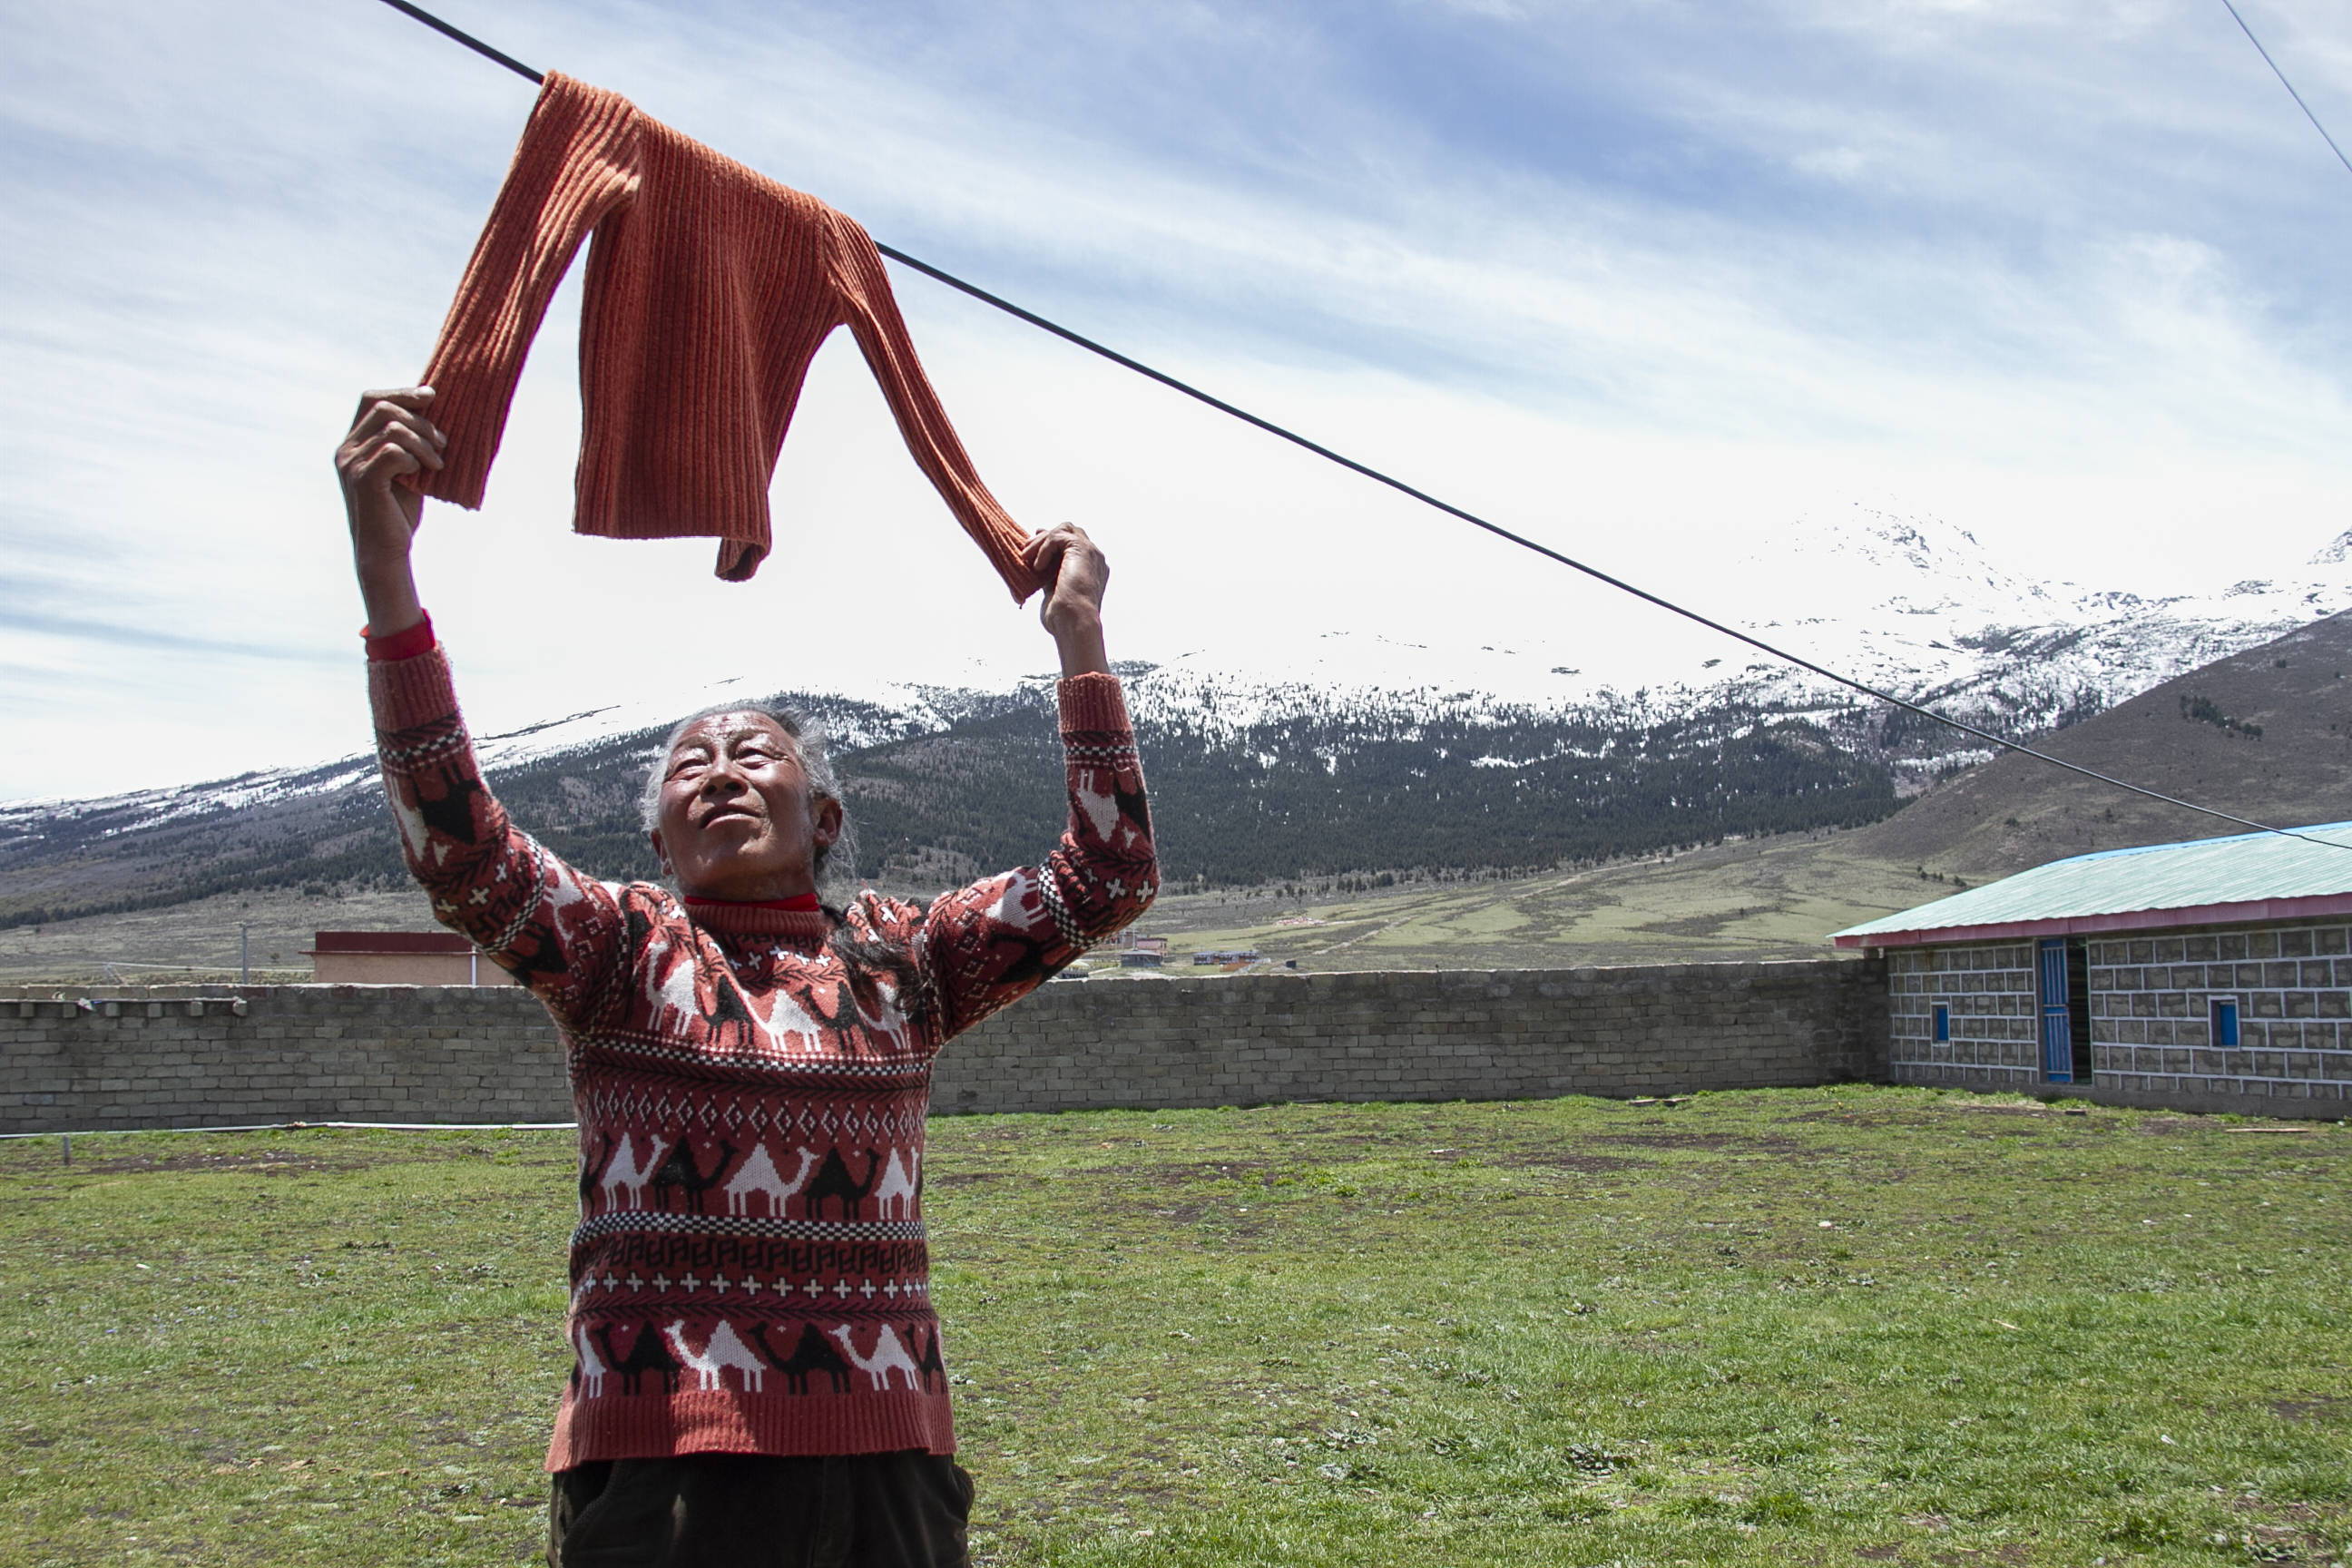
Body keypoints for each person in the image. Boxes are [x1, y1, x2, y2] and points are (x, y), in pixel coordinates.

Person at [336, 386, 1159, 1567]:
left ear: (821, 816)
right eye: (689, 766)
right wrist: (385, 576)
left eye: (753, 754)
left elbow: (1108, 876)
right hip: (664, 1471)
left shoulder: (902, 962)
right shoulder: (621, 953)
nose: (719, 772)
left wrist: (1079, 639)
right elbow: (460, 846)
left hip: (885, 1468)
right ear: (659, 842)